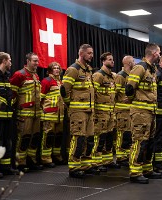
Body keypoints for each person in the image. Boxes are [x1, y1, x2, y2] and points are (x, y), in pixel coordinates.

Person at [125, 43, 161, 184]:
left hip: (151, 111)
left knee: (149, 141)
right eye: (159, 52)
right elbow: (129, 89)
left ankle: (147, 169)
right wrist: (137, 105)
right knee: (139, 141)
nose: (159, 54)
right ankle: (135, 172)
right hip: (140, 111)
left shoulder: (153, 69)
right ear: (153, 53)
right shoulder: (140, 67)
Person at [61, 44, 95, 178]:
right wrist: (71, 105)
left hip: (89, 110)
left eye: (92, 53)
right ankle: (74, 167)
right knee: (78, 138)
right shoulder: (73, 69)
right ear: (81, 54)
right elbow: (64, 90)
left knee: (89, 138)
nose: (91, 56)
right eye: (89, 53)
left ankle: (86, 165)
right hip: (78, 111)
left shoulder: (88, 70)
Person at [10, 52, 43, 172]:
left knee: (34, 138)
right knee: (24, 138)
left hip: (36, 114)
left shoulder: (36, 76)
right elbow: (12, 94)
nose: (37, 63)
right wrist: (14, 109)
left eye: (37, 61)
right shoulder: (19, 75)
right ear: (28, 61)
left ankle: (31, 160)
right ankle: (20, 163)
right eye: (34, 61)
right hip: (24, 114)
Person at [91, 52, 118, 172]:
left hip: (111, 113)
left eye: (113, 59)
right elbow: (92, 93)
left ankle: (107, 160)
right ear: (103, 61)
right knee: (99, 138)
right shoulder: (98, 75)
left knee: (109, 138)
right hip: (100, 113)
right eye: (109, 60)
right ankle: (97, 162)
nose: (112, 61)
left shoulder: (112, 76)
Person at [40, 62, 64, 168]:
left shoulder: (60, 82)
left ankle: (57, 155)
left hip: (60, 114)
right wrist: (43, 110)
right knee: (48, 136)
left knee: (58, 136)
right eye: (54, 68)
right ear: (50, 70)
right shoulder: (46, 81)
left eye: (58, 68)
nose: (57, 70)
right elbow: (40, 98)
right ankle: (46, 158)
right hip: (49, 113)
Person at [114, 55, 134, 165]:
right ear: (129, 63)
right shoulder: (120, 76)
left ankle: (126, 155)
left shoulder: (131, 76)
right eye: (133, 62)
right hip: (122, 111)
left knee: (128, 134)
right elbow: (114, 93)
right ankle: (120, 157)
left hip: (130, 111)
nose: (135, 64)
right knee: (122, 133)